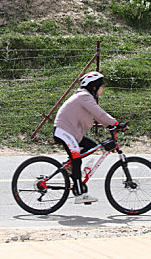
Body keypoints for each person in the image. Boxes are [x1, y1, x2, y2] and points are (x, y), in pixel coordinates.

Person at [53, 71, 124, 204]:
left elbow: (97, 116)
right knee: (77, 159)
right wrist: (115, 123)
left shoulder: (85, 98)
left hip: (71, 133)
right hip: (64, 132)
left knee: (91, 146)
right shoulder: (84, 96)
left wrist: (110, 126)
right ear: (94, 87)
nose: (102, 90)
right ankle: (80, 193)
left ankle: (70, 168)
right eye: (101, 87)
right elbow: (99, 113)